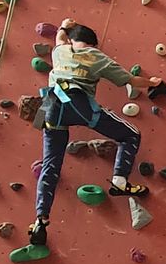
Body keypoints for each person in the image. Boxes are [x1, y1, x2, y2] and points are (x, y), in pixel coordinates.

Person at [28, 21, 147, 246]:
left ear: (73, 39)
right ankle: (120, 180)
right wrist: (153, 82)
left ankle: (40, 220)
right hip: (78, 105)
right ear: (92, 43)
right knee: (130, 135)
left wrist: (65, 24)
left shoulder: (61, 50)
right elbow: (130, 80)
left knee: (50, 165)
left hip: (50, 108)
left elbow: (60, 38)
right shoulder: (96, 56)